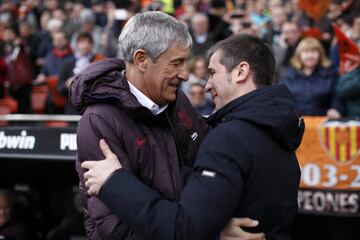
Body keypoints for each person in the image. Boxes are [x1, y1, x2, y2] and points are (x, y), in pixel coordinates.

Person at [81, 34, 305, 240]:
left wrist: (114, 182)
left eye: (212, 73)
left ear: (240, 72)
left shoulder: (229, 137)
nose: (205, 85)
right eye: (176, 63)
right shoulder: (280, 134)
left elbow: (185, 230)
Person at [279, 37, 343, 118]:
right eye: (306, 52)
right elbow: (281, 99)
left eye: (314, 51)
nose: (310, 56)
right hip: (295, 123)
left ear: (320, 54)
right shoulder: (288, 76)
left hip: (322, 121)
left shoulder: (330, 74)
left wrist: (335, 109)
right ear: (299, 55)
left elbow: (337, 96)